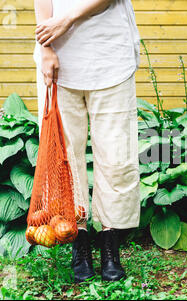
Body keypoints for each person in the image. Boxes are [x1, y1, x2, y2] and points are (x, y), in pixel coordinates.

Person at [32, 0, 141, 282]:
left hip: (111, 55)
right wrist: (45, 48)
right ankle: (78, 240)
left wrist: (67, 19)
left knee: (117, 158)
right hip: (58, 57)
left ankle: (110, 244)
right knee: (65, 158)